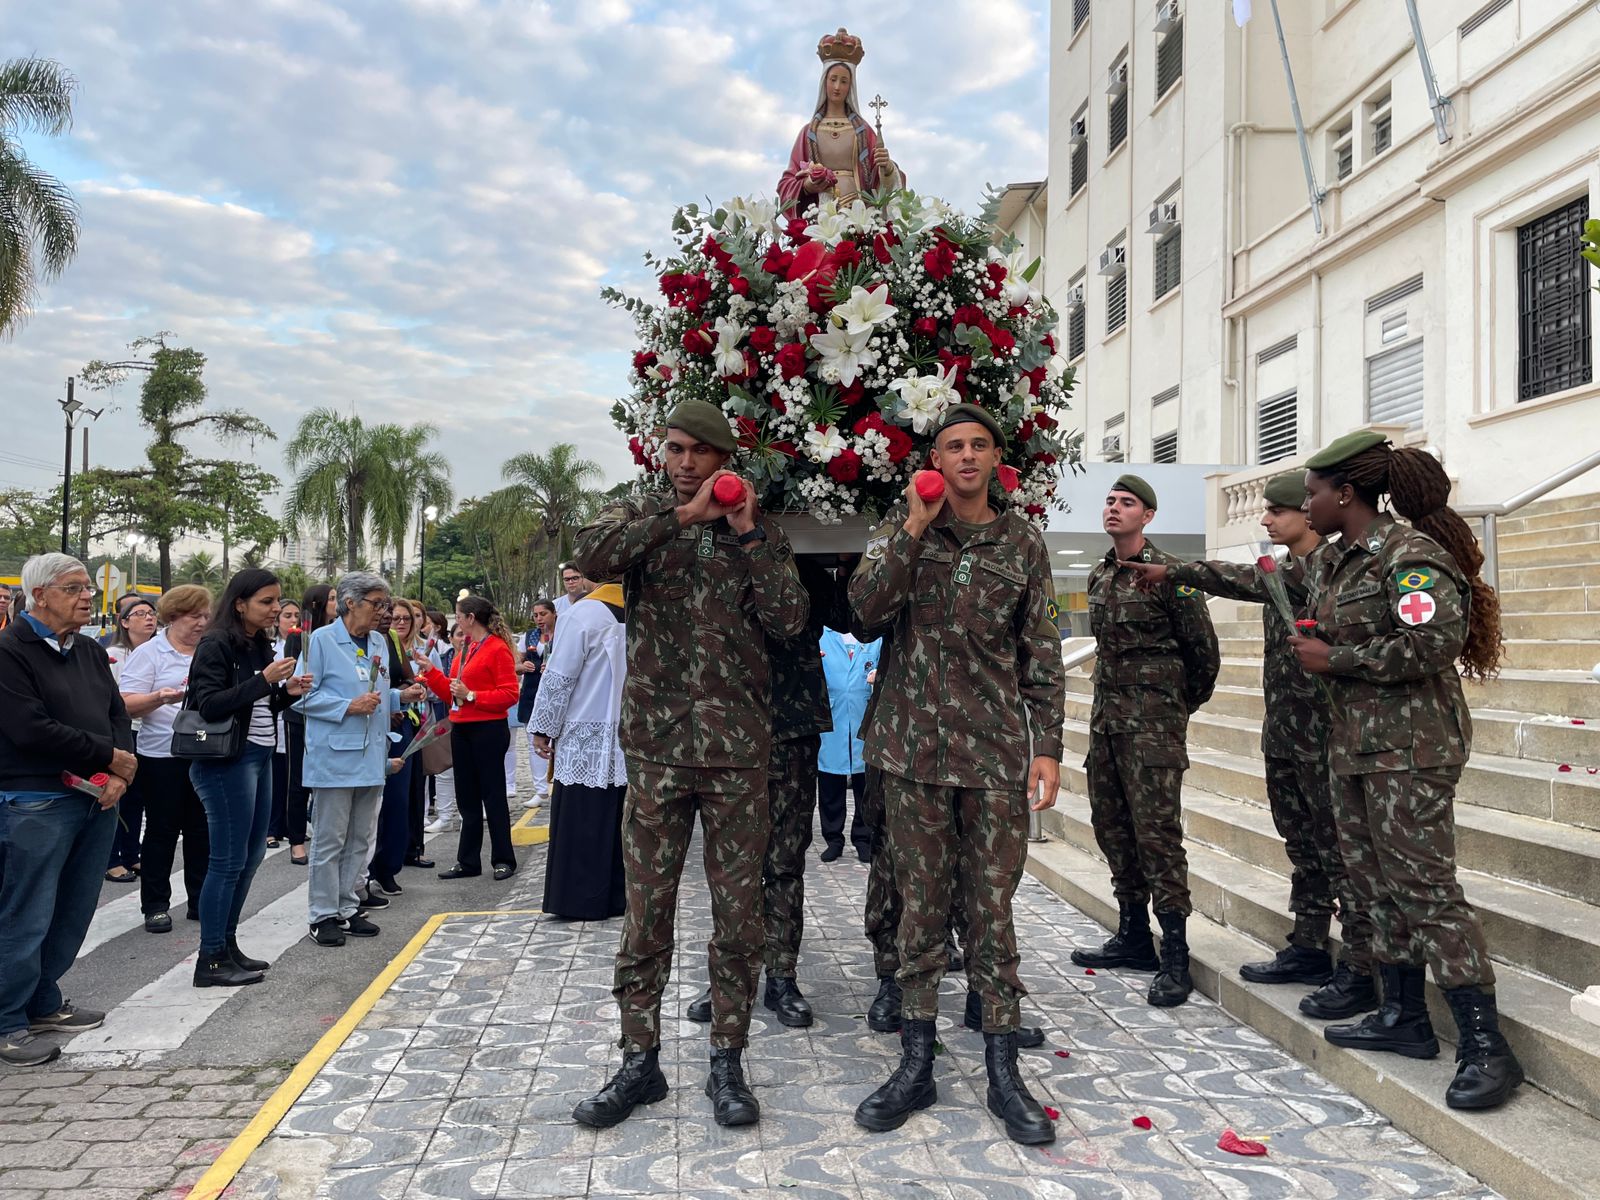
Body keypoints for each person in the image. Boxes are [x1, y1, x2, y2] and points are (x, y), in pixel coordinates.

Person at [568, 397, 807, 1131]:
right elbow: (590, 555)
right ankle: (638, 1062)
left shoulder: (757, 531)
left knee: (738, 917)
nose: (683, 462)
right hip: (659, 751)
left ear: (723, 460)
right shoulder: (642, 516)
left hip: (737, 755)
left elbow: (791, 621)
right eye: (674, 449)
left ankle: (727, 1060)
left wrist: (749, 534)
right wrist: (682, 518)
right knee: (647, 914)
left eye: (698, 452)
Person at [847, 404, 1065, 1145]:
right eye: (952, 447)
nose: (966, 457)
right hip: (911, 755)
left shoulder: (1023, 542)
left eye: (978, 446)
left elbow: (1041, 652)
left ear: (997, 459)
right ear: (934, 461)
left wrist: (1047, 745)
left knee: (992, 912)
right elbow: (865, 611)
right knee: (920, 908)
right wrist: (914, 525)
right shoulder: (903, 528)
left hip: (993, 755)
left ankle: (1004, 1072)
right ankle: (917, 1062)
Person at [1291, 431, 1522, 1110]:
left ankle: (1486, 1045)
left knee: (1425, 889)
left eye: (1312, 494)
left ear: (1346, 494)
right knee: (1372, 886)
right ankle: (1404, 1017)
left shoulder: (1408, 554)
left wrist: (1337, 659)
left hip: (1412, 749)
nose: (1306, 506)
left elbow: (1433, 642)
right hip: (1357, 746)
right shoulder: (1340, 560)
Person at [1119, 473, 1377, 1020]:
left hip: (1326, 737)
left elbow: (1235, 578)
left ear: (1307, 514)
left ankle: (1359, 965)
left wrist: (1174, 570)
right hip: (1285, 732)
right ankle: (1309, 944)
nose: (1265, 520)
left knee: (1338, 851)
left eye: (1277, 512)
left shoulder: (1325, 569)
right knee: (1302, 845)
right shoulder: (1284, 569)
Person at [1070, 474, 1219, 1010]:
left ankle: (1174, 953)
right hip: (1107, 725)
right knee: (1113, 829)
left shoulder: (1171, 575)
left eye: (1127, 502)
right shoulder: (1100, 575)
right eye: (1110, 500)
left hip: (1152, 729)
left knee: (1158, 837)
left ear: (1148, 516)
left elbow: (1204, 656)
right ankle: (1134, 935)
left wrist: (1170, 709)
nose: (1114, 508)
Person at [686, 556, 841, 1029]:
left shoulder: (802, 563)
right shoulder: (714, 555)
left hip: (790, 726)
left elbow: (848, 616)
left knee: (785, 862)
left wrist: (846, 560)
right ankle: (731, 976)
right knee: (732, 865)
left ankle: (781, 976)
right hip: (728, 728)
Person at [0, 554, 133, 1066]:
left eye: (86, 588)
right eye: (74, 588)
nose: (86, 596)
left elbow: (116, 713)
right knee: (26, 913)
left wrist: (120, 771)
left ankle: (42, 1000)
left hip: (96, 797)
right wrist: (108, 757)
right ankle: (6, 1020)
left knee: (73, 908)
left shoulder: (88, 650)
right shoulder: (10, 650)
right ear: (39, 595)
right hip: (35, 800)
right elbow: (30, 729)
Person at [186, 568, 311, 987]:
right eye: (266, 601)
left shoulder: (257, 643)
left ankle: (226, 945)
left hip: (258, 755)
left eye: (277, 601)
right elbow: (209, 705)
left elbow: (259, 706)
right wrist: (264, 681)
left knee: (251, 855)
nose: (276, 609)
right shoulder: (216, 642)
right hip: (226, 762)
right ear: (240, 603)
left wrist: (285, 693)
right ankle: (210, 959)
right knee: (226, 861)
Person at [298, 573, 423, 947]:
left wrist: (400, 697)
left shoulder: (379, 642)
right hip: (335, 756)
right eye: (377, 604)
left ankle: (347, 906)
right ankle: (323, 914)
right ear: (350, 602)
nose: (383, 612)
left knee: (360, 838)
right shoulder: (321, 641)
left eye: (385, 604)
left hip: (371, 754)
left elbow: (376, 694)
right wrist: (347, 706)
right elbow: (301, 697)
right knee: (330, 840)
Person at [529, 581, 627, 920]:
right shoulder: (645, 606)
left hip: (586, 730)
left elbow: (560, 677)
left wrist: (544, 728)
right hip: (630, 734)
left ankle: (580, 900)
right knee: (621, 820)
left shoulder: (583, 613)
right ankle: (619, 897)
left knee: (583, 820)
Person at [118, 584, 213, 934]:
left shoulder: (210, 649)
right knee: (162, 830)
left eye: (205, 616)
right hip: (161, 754)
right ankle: (156, 904)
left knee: (201, 830)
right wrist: (159, 697)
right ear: (173, 617)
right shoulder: (150, 652)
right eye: (194, 616)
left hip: (205, 751)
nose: (201, 623)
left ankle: (200, 899)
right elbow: (126, 703)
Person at [414, 596, 520, 880]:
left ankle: (503, 858)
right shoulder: (467, 649)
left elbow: (510, 694)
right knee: (467, 798)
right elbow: (451, 692)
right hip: (462, 727)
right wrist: (430, 671)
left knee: (493, 795)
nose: (457, 621)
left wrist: (472, 695)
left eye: (459, 616)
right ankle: (468, 861)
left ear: (471, 618)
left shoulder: (497, 648)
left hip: (488, 728)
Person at [777, 28, 903, 214]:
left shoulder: (862, 131)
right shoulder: (808, 133)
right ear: (825, 81)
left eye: (844, 81)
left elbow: (880, 179)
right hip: (821, 215)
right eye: (833, 79)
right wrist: (808, 186)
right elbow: (787, 183)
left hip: (859, 214)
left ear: (850, 86)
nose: (837, 87)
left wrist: (888, 167)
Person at [103, 594, 159, 883]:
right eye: (140, 614)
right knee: (119, 795)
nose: (148, 618)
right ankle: (111, 859)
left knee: (138, 798)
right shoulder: (114, 654)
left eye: (151, 613)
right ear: (124, 622)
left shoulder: (159, 651)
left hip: (152, 732)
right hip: (123, 732)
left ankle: (131, 853)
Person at [280, 584, 335, 867]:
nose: (337, 603)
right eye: (332, 598)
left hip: (326, 715)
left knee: (324, 778)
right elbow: (292, 674)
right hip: (299, 715)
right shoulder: (298, 635)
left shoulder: (338, 634)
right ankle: (297, 840)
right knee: (297, 779)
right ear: (318, 603)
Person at [817, 623, 879, 862]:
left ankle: (863, 838)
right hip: (833, 718)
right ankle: (833, 839)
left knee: (865, 784)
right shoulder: (823, 635)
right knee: (830, 783)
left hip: (864, 718)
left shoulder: (874, 636)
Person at [398, 599, 436, 870]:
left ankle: (415, 847)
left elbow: (439, 686)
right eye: (396, 618)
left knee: (415, 787)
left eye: (407, 618)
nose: (401, 623)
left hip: (419, 723)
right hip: (394, 721)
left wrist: (424, 686)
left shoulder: (424, 649)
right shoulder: (383, 646)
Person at [422, 622, 465, 835]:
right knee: (443, 770)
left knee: (467, 771)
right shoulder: (445, 658)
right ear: (451, 638)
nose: (463, 639)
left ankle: (468, 814)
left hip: (467, 719)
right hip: (443, 716)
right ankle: (445, 816)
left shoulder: (473, 657)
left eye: (465, 634)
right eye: (459, 634)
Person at [516, 600, 557, 810]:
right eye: (536, 615)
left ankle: (558, 785)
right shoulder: (529, 636)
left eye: (543, 614)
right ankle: (540, 790)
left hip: (556, 695)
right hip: (531, 694)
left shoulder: (563, 633)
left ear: (554, 614)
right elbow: (515, 664)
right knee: (534, 744)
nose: (539, 619)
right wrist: (522, 666)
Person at [267, 600, 301, 851]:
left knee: (293, 777)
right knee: (276, 777)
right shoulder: (272, 648)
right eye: (287, 615)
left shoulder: (304, 645)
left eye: (296, 615)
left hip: (295, 715)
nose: (292, 620)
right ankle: (271, 828)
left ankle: (290, 825)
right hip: (275, 716)